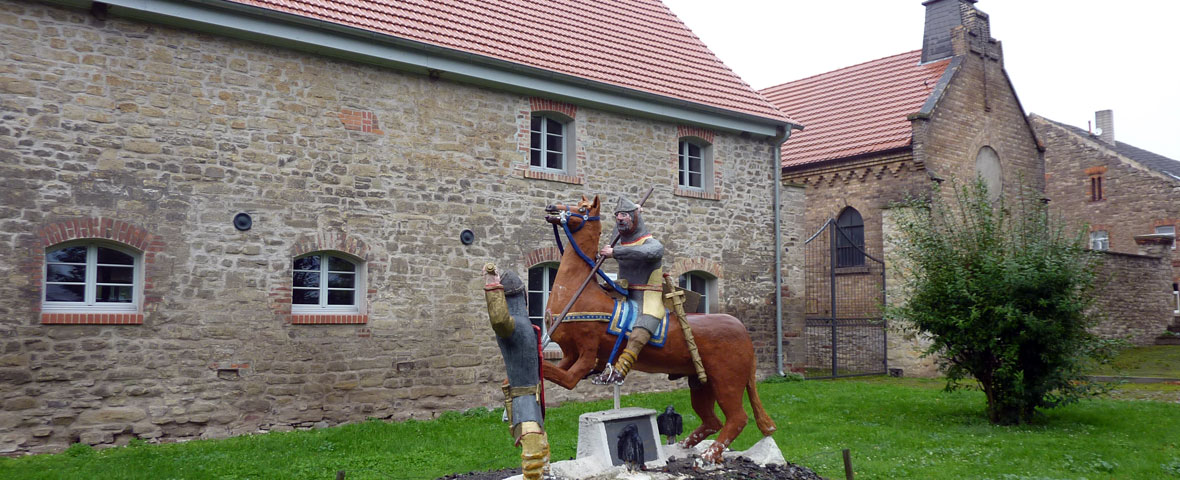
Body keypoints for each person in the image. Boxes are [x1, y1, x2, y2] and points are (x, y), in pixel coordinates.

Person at [482, 264, 549, 480]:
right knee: (533, 456)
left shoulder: (524, 325)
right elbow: (500, 320)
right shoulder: (513, 327)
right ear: (521, 296)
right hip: (524, 401)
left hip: (534, 400)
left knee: (542, 450)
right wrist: (493, 286)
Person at [593, 197, 664, 385]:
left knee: (644, 324)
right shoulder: (619, 237)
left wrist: (615, 253)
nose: (620, 219)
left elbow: (647, 253)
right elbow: (617, 235)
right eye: (617, 215)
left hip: (648, 294)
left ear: (635, 217)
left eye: (624, 215)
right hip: (622, 292)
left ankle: (621, 369)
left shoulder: (652, 244)